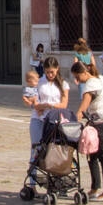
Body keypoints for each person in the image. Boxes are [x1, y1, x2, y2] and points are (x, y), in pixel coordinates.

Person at [22, 59, 70, 191]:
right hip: (38, 120)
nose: (50, 75)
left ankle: (55, 182)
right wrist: (40, 105)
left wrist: (49, 105)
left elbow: (64, 105)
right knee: (36, 150)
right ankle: (32, 184)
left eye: (52, 72)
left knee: (54, 151)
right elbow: (34, 104)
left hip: (54, 121)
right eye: (47, 72)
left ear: (57, 69)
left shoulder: (63, 84)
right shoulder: (39, 83)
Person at [71, 60, 103, 201]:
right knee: (93, 156)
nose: (77, 81)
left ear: (84, 73)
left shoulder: (90, 84)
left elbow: (83, 108)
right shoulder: (101, 78)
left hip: (99, 124)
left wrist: (73, 119)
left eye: (77, 77)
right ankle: (95, 188)